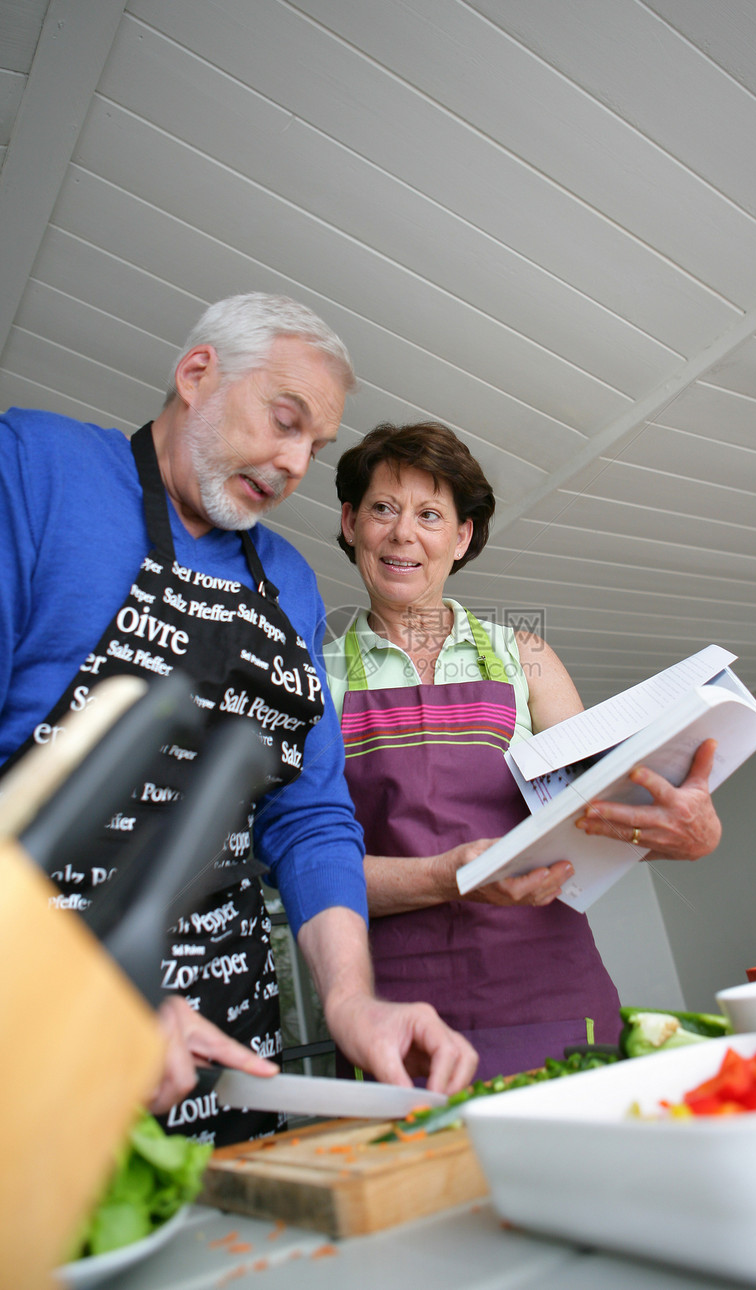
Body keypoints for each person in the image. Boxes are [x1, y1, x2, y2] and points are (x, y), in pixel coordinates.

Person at [0, 298, 477, 1144]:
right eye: (283, 421)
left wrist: (351, 998)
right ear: (196, 374)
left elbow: (311, 815)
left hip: (229, 1048)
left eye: (315, 447)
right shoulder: (33, 470)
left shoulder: (289, 581)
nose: (294, 464)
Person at [323, 421, 722, 1081]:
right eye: (382, 510)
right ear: (349, 523)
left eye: (429, 514)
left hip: (551, 990)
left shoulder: (524, 656)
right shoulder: (316, 674)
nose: (403, 534)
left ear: (461, 537)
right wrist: (442, 877)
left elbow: (594, 813)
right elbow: (309, 864)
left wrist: (685, 833)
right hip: (393, 1013)